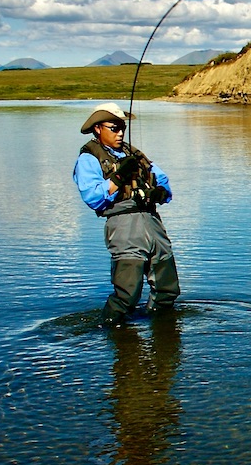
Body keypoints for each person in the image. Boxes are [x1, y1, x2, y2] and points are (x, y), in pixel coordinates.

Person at [73, 102, 180, 327]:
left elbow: (162, 179)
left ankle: (163, 341)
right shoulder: (88, 158)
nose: (120, 132)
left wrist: (159, 192)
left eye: (122, 127)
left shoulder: (134, 154)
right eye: (114, 128)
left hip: (153, 224)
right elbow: (92, 198)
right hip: (123, 226)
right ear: (98, 129)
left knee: (167, 290)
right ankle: (112, 335)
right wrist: (119, 178)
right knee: (127, 296)